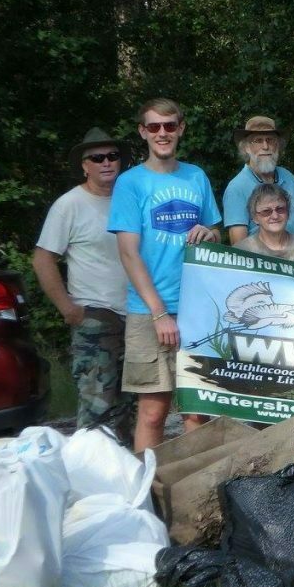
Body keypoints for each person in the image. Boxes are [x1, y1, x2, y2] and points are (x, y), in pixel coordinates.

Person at [108, 98, 221, 452]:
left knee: (197, 413)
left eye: (169, 126)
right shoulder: (130, 183)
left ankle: (197, 494)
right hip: (149, 311)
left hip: (197, 310)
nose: (162, 133)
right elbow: (128, 252)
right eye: (154, 127)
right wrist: (159, 313)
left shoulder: (196, 176)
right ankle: (148, 495)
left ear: (180, 129)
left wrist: (209, 233)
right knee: (153, 413)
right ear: (143, 132)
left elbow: (217, 233)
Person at [33, 128, 135, 443]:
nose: (106, 162)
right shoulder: (69, 205)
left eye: (112, 156)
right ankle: (88, 477)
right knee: (97, 406)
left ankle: (126, 483)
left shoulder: (131, 199)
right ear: (84, 165)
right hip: (94, 315)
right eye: (97, 157)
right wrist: (68, 309)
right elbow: (42, 259)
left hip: (136, 313)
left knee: (130, 405)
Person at [223, 116, 294, 245]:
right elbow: (239, 245)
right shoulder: (236, 187)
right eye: (258, 140)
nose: (265, 146)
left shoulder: (287, 176)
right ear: (246, 148)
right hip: (261, 263)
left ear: (278, 145)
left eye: (270, 140)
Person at [234, 183, 294, 263]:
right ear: (255, 218)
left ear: (288, 213)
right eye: (266, 211)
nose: (275, 216)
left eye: (280, 209)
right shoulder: (241, 250)